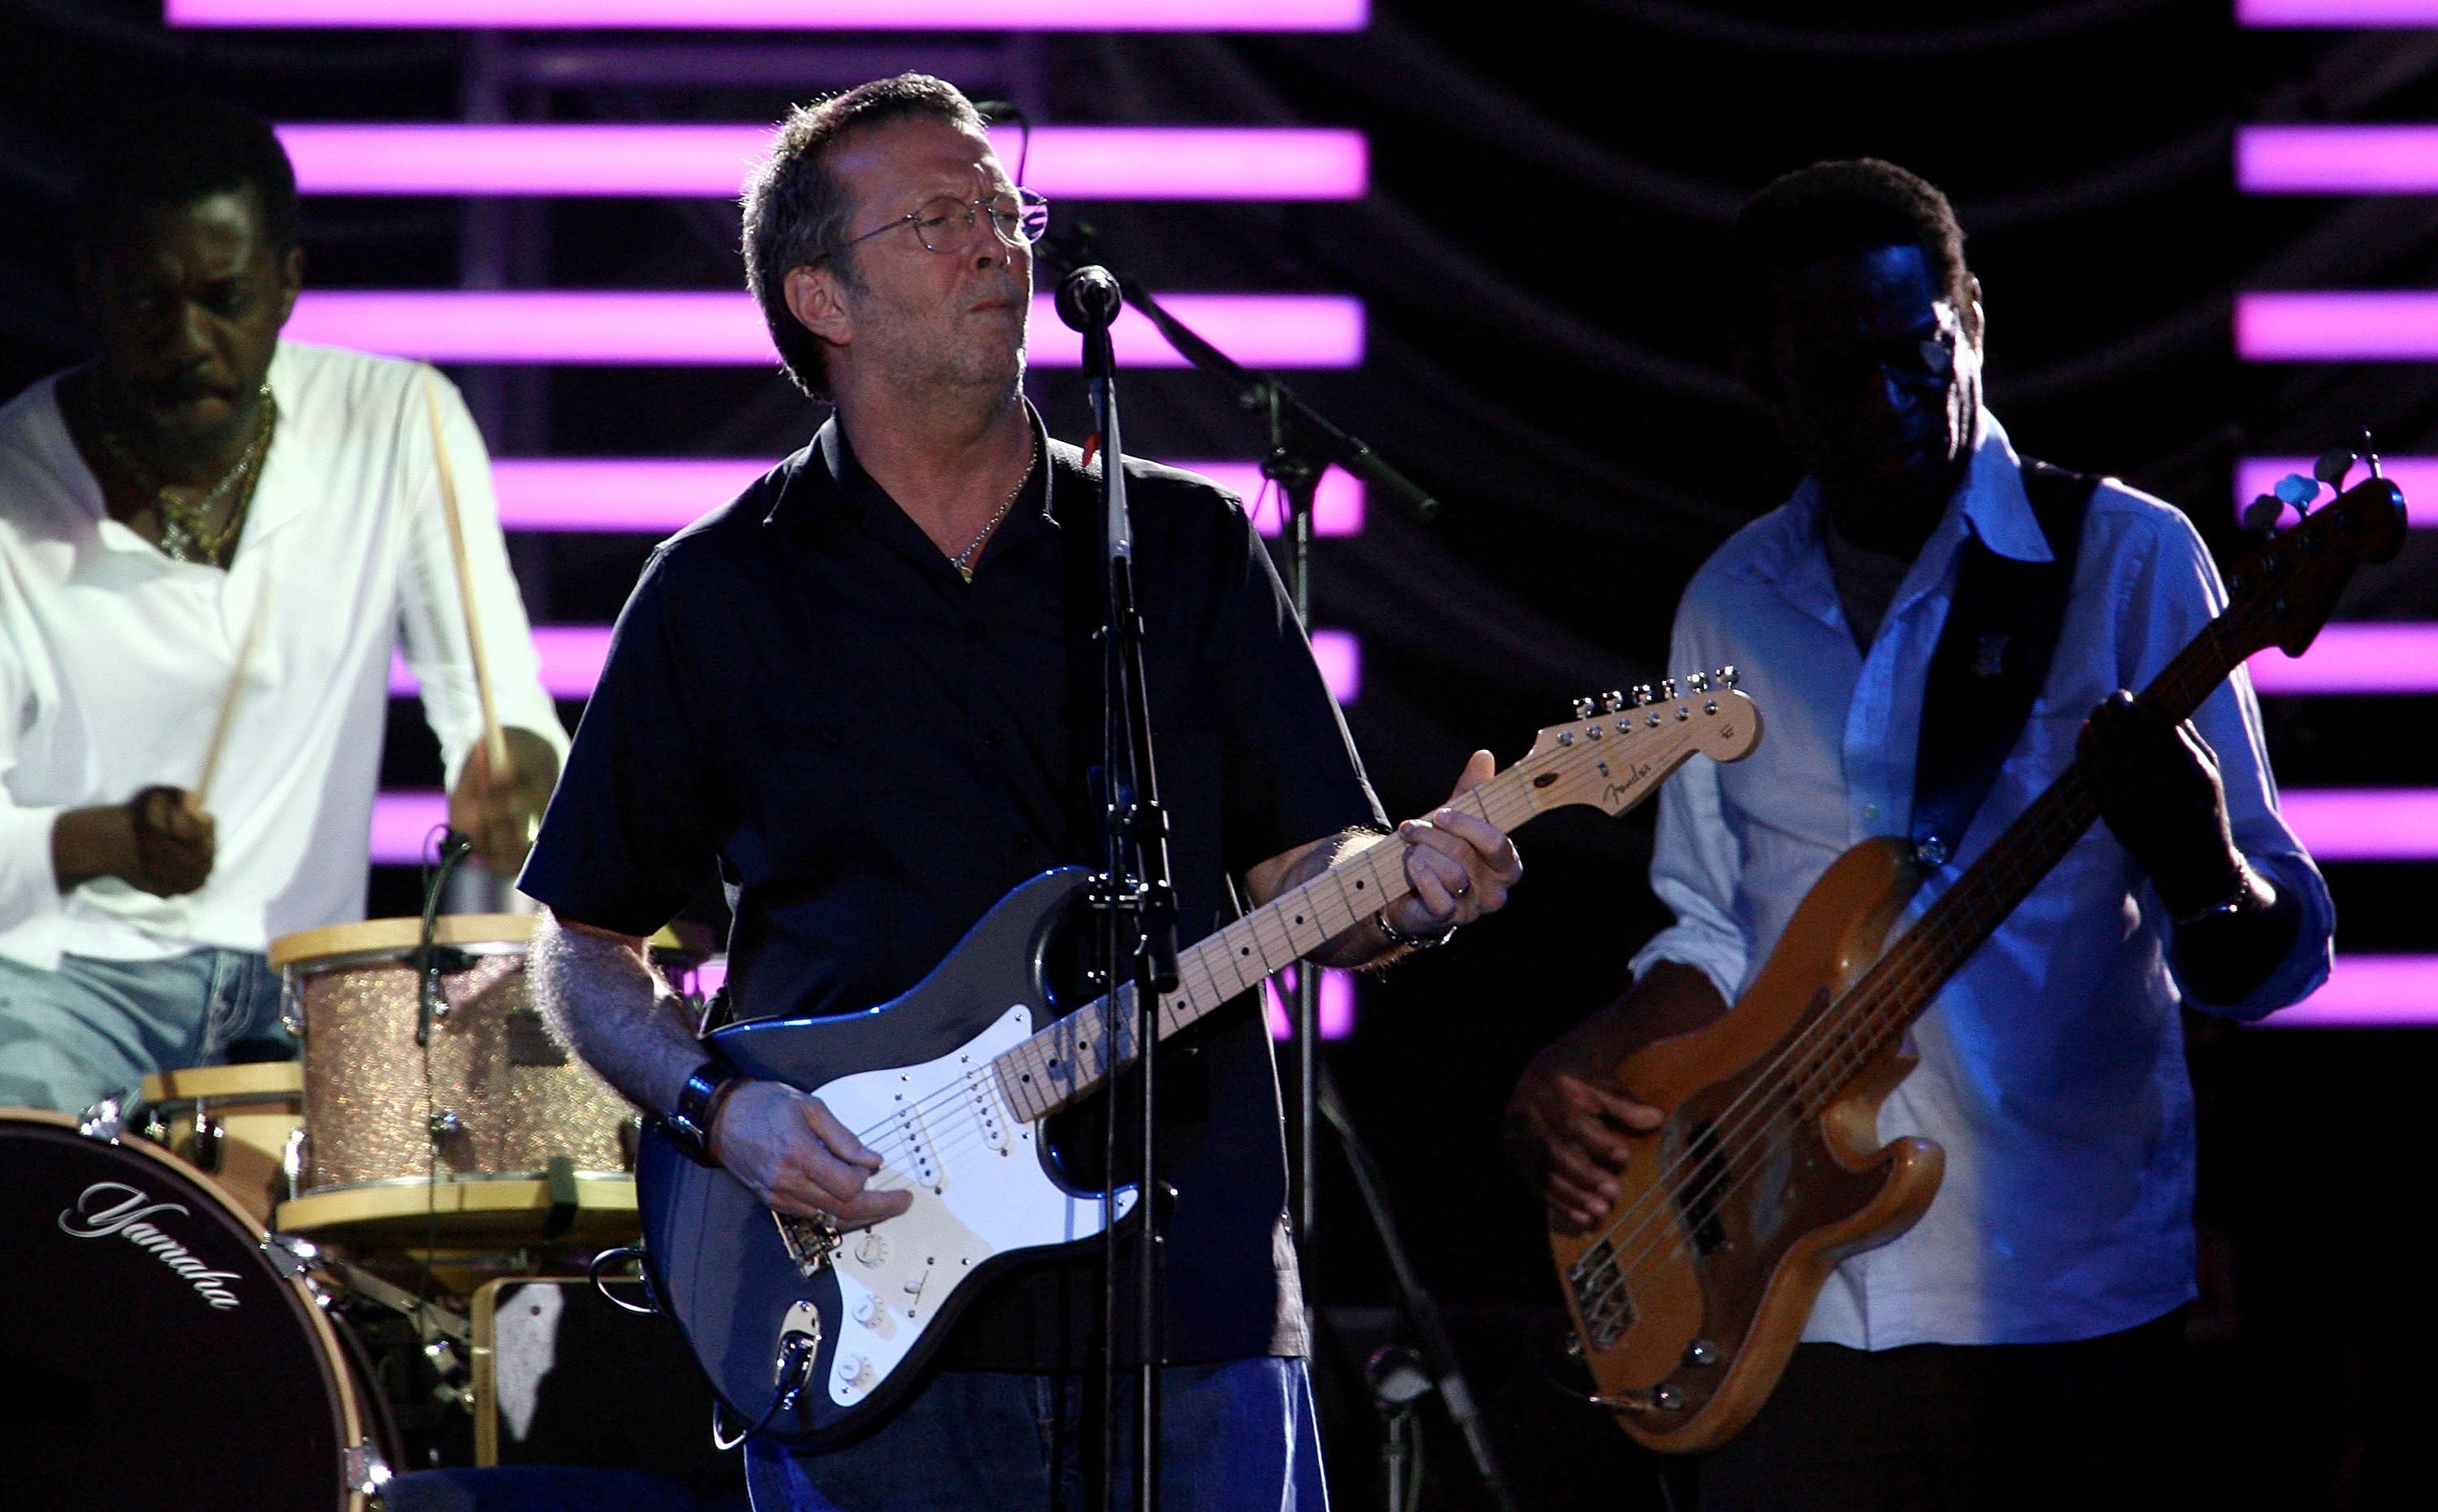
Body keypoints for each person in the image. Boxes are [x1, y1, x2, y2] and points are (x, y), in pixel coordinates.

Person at [519, 74, 1521, 1512]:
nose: (1000, 244)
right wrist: (716, 1112)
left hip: (1195, 1308)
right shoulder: (718, 590)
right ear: (823, 299)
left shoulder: (1180, 546)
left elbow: (1307, 873)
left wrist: (1408, 887)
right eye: (939, 219)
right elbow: (584, 948)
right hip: (867, 1321)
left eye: (1004, 207)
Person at [1505, 160, 2333, 1510]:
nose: (1889, 400)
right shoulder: (1732, 601)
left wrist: (2201, 863)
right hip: (1791, 1316)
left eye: (1917, 353)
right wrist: (1584, 1067)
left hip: (2063, 1305)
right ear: (1757, 375)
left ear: (1974, 323)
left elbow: (2274, 965)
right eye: (1834, 372)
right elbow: (1713, 929)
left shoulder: (2127, 562)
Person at [0, 99, 563, 1114]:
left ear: (289, 284)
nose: (188, 341)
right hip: (55, 980)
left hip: (312, 983)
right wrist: (96, 841)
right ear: (88, 285)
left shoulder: (397, 421)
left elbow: (490, 701)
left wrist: (508, 763)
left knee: (393, 1243)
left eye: (225, 297)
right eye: (146, 301)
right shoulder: (12, 484)